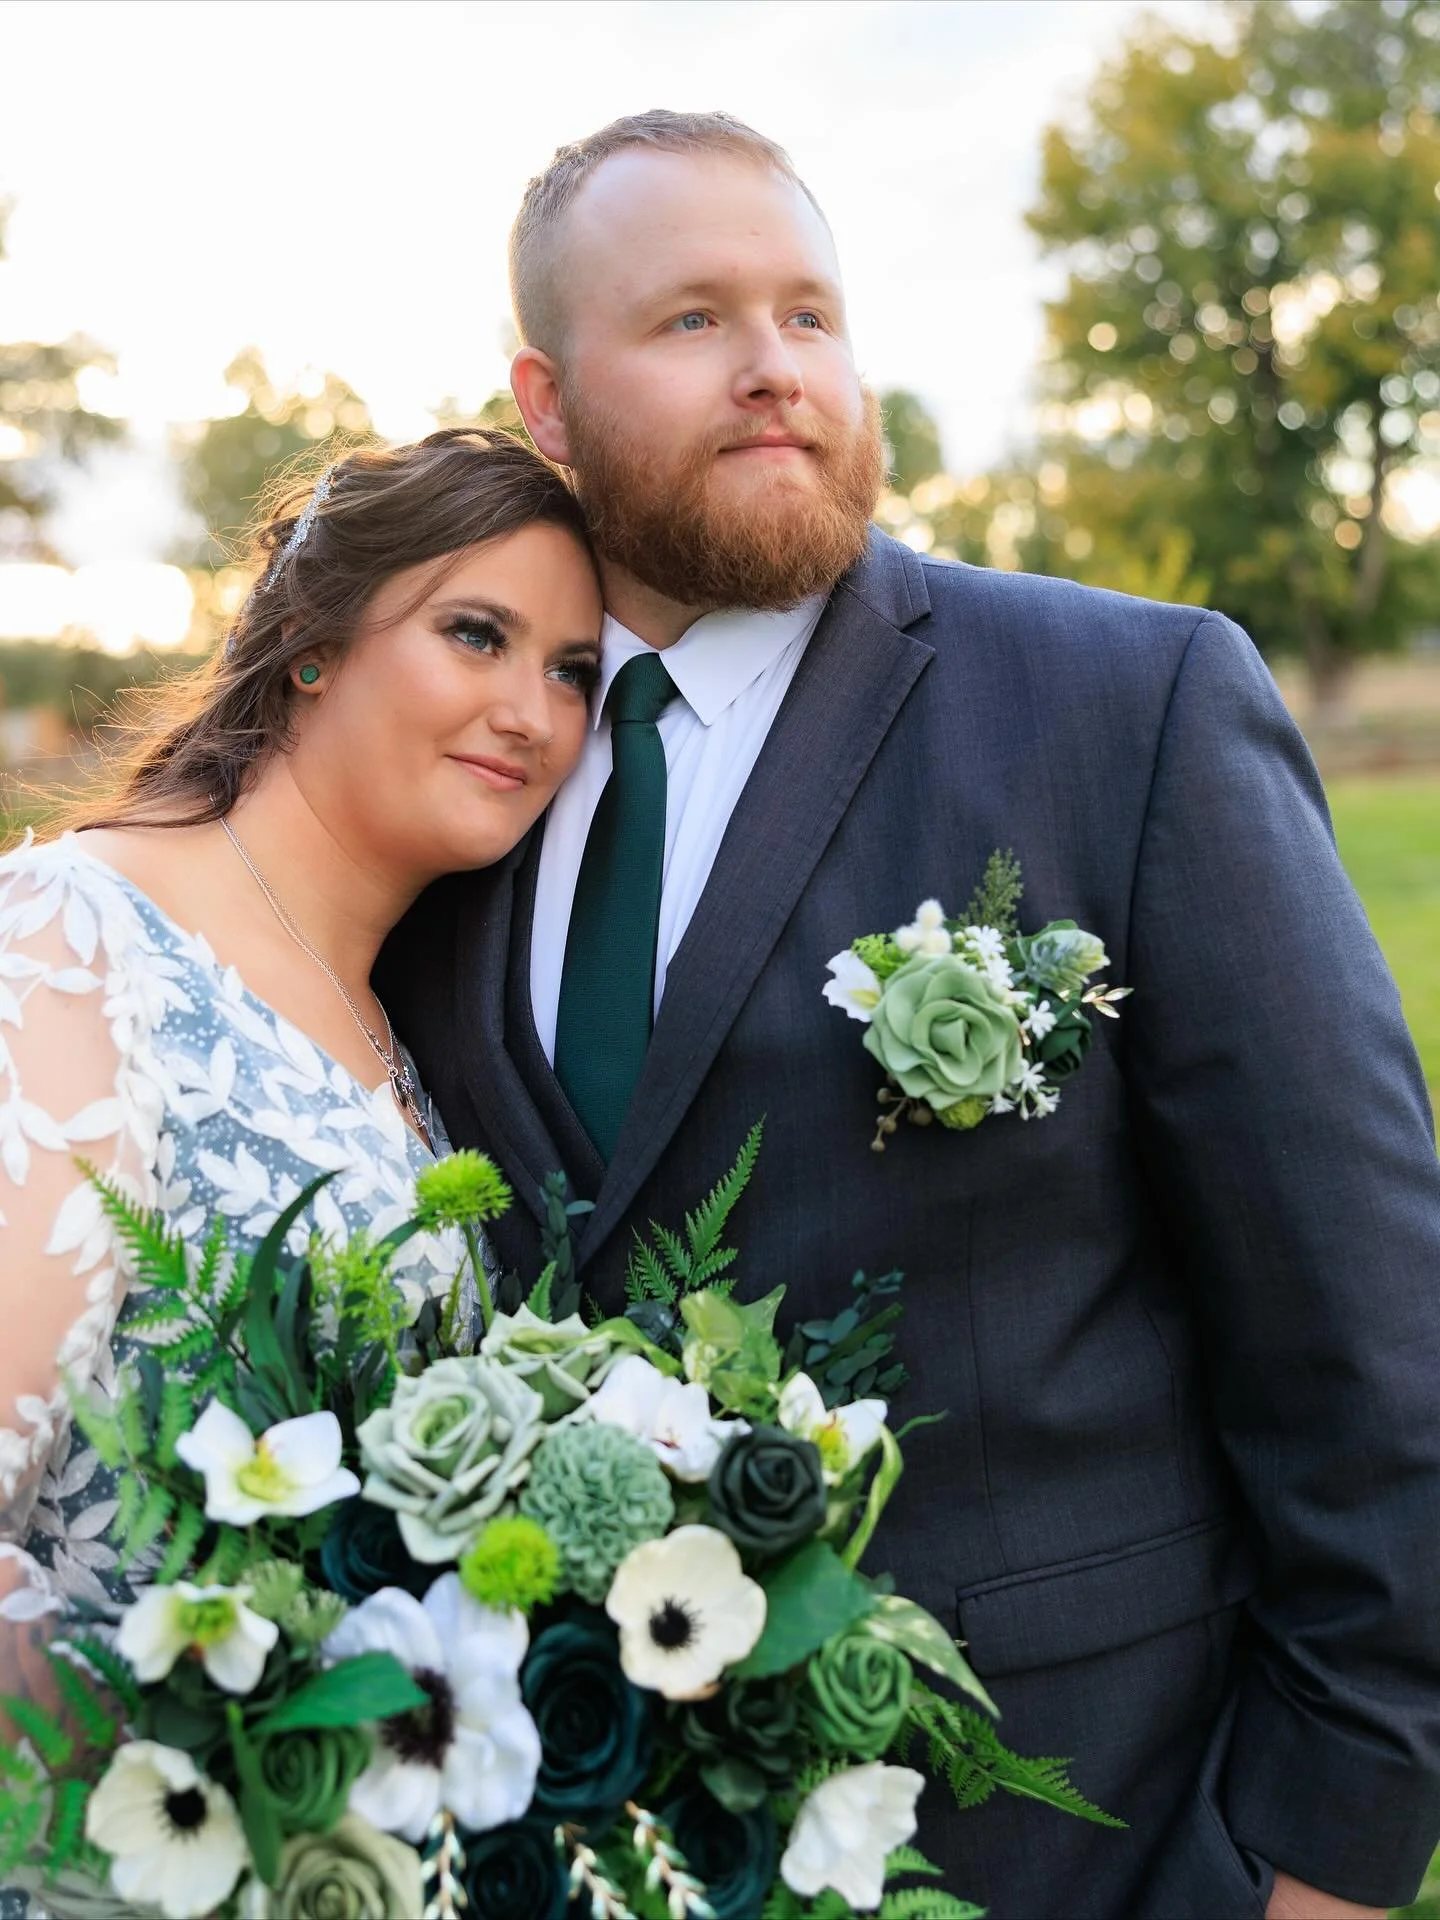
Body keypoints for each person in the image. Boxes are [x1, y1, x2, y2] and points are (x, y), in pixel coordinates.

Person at [379, 113, 1440, 1919]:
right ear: (543, 405)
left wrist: (1320, 1859)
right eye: (694, 320)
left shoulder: (1131, 702)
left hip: (1083, 1838)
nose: (775, 366)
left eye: (809, 312)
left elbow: (1372, 1342)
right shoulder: (460, 778)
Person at [0, 431, 602, 1776]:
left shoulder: (413, 1031)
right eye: (477, 635)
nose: (532, 713)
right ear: (311, 641)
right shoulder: (74, 941)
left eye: (573, 671)